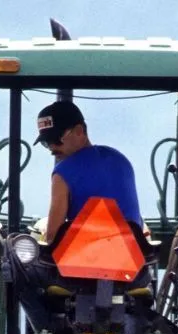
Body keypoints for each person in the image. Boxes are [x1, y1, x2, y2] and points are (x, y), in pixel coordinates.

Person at [34, 100, 143, 242]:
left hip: (87, 259)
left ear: (79, 131)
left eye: (56, 139)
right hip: (134, 257)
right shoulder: (121, 160)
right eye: (46, 143)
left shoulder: (62, 173)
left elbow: (53, 238)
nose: (52, 148)